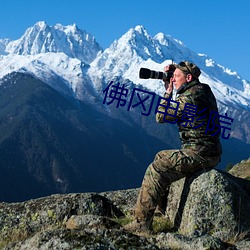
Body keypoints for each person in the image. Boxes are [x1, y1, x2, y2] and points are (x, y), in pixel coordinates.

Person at [124, 61, 222, 233]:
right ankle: (162, 210)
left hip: (200, 153)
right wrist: (174, 72)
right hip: (207, 151)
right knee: (161, 156)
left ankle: (141, 224)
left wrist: (167, 92)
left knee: (157, 168)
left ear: (189, 78)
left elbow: (161, 117)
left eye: (177, 77)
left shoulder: (190, 97)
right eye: (173, 76)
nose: (173, 79)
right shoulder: (202, 89)